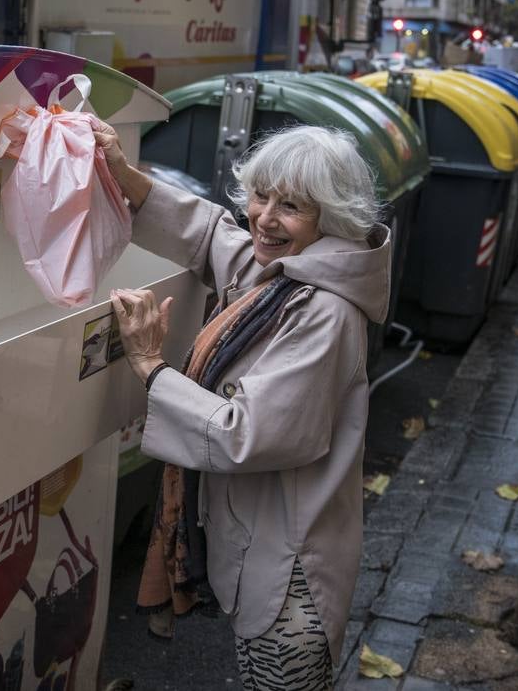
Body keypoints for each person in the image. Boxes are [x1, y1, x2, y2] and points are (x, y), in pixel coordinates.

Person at [94, 123, 391, 691]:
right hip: (268, 557)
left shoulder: (324, 311)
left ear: (331, 218)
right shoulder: (287, 271)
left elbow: (244, 434)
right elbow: (210, 237)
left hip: (290, 579)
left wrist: (150, 365)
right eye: (260, 196)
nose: (263, 218)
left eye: (291, 206)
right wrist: (125, 176)